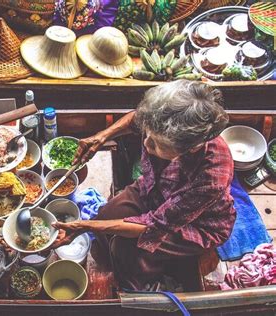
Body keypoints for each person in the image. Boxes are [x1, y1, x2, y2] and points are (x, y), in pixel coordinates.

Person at [52, 80, 236, 290]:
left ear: (189, 149)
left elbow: (153, 226)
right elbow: (137, 119)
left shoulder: (211, 178)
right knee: (105, 215)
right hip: (155, 189)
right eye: (147, 135)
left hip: (194, 222)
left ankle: (141, 284)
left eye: (157, 144)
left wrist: (84, 226)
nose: (146, 145)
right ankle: (112, 258)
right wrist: (101, 136)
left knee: (127, 250)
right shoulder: (163, 116)